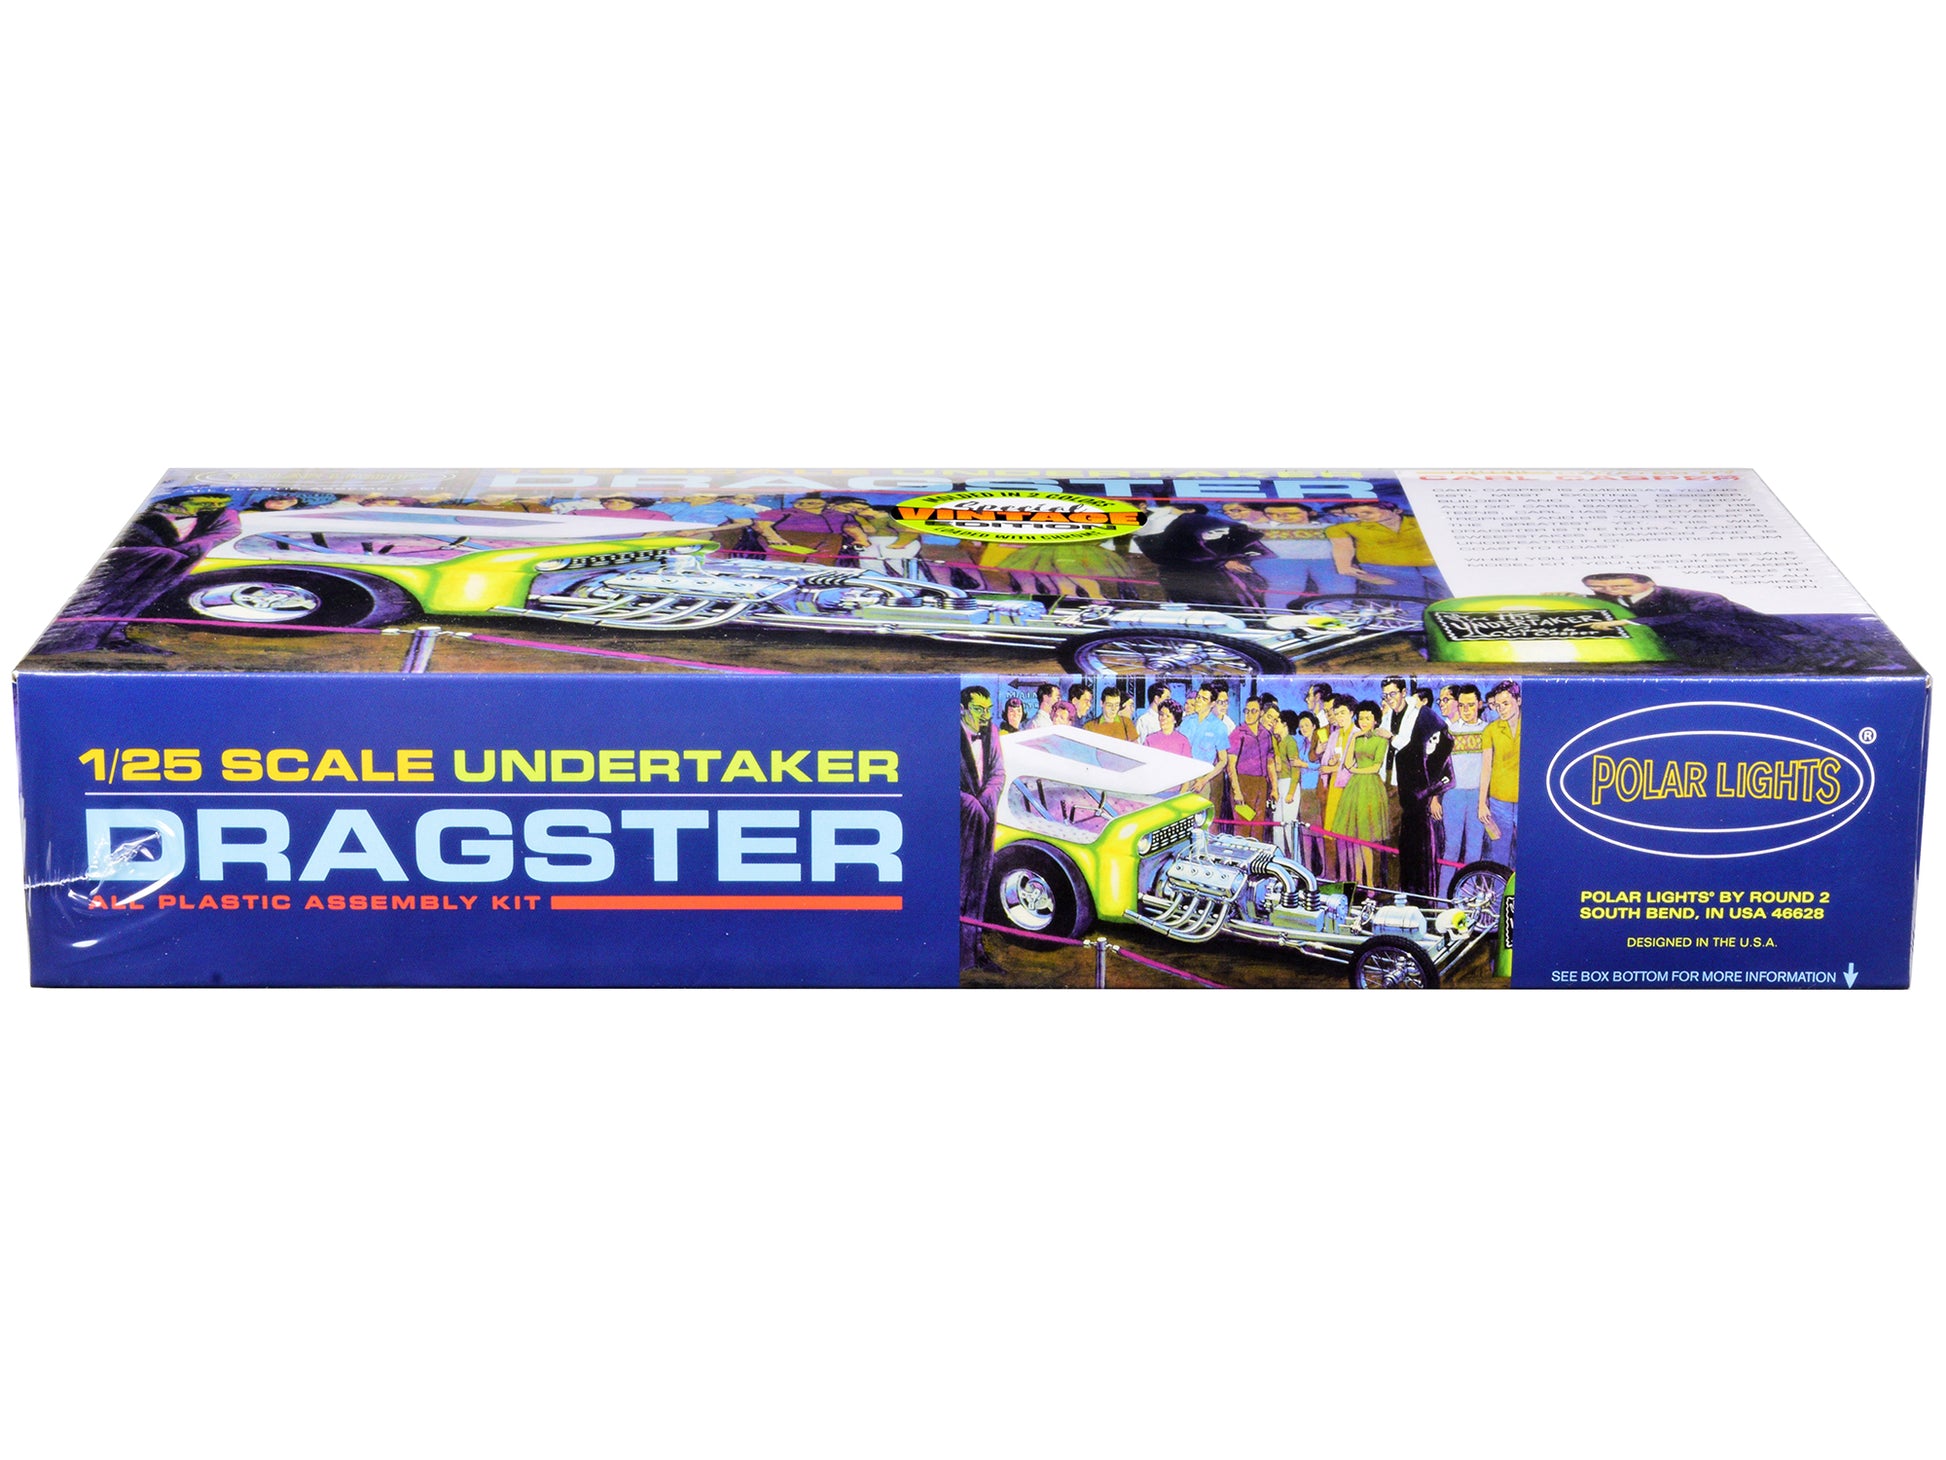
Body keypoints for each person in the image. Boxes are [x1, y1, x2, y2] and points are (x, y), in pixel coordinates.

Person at [35, 493, 241, 655]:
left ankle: (111, 636)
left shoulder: (219, 517)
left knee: (154, 575)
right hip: (130, 557)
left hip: (164, 561)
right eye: (206, 501)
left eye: (218, 503)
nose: (213, 505)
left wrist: (181, 550)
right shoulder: (151, 511)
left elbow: (219, 534)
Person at [1579, 571, 1790, 667]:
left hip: (1741, 642)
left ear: (1649, 584)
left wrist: (1627, 622)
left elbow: (1696, 618)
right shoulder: (1626, 595)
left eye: (1619, 586)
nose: (1609, 591)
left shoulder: (1702, 598)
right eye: (1598, 588)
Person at [1134, 503, 1270, 606]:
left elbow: (1249, 543)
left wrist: (1235, 559)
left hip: (1223, 581)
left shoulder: (1193, 522)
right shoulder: (1179, 525)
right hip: (1188, 581)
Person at [1234, 501, 1361, 604]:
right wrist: (1232, 560)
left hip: (1327, 561)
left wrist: (1348, 562)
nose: (1282, 517)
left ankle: (1337, 614)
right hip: (1278, 561)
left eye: (1292, 513)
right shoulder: (1256, 528)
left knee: (1339, 585)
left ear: (1310, 512)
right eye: (1272, 514)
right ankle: (1281, 617)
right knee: (1286, 587)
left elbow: (1347, 544)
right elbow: (1234, 543)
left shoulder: (1329, 526)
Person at [959, 687, 1004, 973]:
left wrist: (984, 803)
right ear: (962, 709)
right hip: (957, 825)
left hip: (984, 823)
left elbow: (998, 774)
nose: (985, 716)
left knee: (979, 886)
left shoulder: (992, 733)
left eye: (988, 709)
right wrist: (970, 805)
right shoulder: (945, 733)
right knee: (957, 886)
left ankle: (973, 953)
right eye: (979, 710)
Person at [1394, 688, 1454, 899]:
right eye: (1431, 738)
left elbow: (1451, 779)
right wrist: (1435, 787)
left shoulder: (1440, 756)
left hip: (1432, 824)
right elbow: (1409, 798)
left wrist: (1432, 791)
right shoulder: (1404, 758)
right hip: (1413, 823)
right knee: (1411, 868)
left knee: (1431, 869)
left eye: (1438, 738)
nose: (1435, 743)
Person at [1325, 500, 1449, 601]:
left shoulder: (1423, 522)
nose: (1360, 517)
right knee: (1408, 606)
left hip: (1432, 568)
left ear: (1396, 511)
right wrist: (1346, 567)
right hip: (1384, 569)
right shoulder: (1343, 528)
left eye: (1367, 512)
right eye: (1353, 515)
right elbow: (1343, 548)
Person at [1329, 700, 1390, 888]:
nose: (1364, 722)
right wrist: (1354, 738)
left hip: (1370, 787)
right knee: (1355, 839)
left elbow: (1376, 766)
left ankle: (1370, 883)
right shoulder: (1356, 737)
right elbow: (1347, 763)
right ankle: (1358, 881)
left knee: (1365, 839)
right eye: (1361, 718)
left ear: (1375, 720)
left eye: (1368, 718)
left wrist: (1356, 771)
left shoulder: (1381, 739)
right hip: (1355, 786)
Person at [1439, 683, 1491, 898]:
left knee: (1474, 851)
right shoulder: (1449, 731)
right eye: (1461, 705)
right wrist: (1434, 798)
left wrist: (1483, 801)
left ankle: (1468, 899)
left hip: (1478, 796)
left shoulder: (1487, 730)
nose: (1466, 710)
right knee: (1451, 848)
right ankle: (1442, 901)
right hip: (1453, 795)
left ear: (1479, 704)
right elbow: (1438, 767)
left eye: (1470, 705)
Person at [754, 493, 869, 563]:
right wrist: (773, 537)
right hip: (790, 542)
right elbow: (761, 524)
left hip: (830, 544)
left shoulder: (839, 515)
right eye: (801, 502)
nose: (805, 505)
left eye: (811, 502)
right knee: (786, 565)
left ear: (824, 503)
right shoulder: (785, 512)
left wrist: (860, 539)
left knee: (822, 565)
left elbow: (851, 528)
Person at [1225, 695, 1278, 842]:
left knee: (1258, 828)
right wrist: (1237, 791)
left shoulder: (1266, 734)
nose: (1249, 714)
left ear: (1261, 712)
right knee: (1243, 828)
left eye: (1253, 711)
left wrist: (1274, 788)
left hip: (1261, 785)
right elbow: (1231, 765)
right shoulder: (1238, 733)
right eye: (1246, 711)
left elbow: (1270, 763)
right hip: (1243, 784)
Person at [1479, 680, 1522, 859]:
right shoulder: (1491, 730)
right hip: (1499, 801)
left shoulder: (1533, 726)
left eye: (1506, 703)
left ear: (1518, 701)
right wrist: (1482, 803)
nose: (1501, 709)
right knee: (1500, 853)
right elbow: (1486, 767)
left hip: (1525, 800)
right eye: (1497, 705)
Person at [1317, 698, 1357, 880]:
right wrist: (1331, 765)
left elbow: (1353, 765)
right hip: (1334, 787)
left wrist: (1333, 767)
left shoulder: (1357, 734)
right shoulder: (1334, 735)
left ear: (1351, 713)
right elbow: (1325, 762)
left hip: (1351, 788)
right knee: (1334, 833)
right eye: (1337, 713)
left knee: (1351, 835)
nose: (1339, 717)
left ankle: (1354, 878)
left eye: (1343, 713)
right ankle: (1341, 876)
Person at [1287, 710, 1329, 872]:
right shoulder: (1301, 744)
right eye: (1301, 726)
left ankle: (1324, 869)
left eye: (1306, 725)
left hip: (1316, 790)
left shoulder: (1320, 740)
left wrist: (1303, 764)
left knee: (1318, 832)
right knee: (1305, 832)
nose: (1303, 728)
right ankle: (1307, 869)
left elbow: (1322, 766)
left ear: (1314, 725)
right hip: (1304, 791)